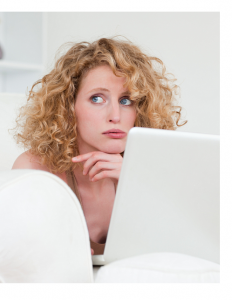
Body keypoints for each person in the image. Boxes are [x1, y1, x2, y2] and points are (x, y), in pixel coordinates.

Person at [11, 36, 187, 255]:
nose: (115, 116)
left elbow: (173, 248)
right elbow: (21, 256)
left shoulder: (146, 169)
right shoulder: (35, 169)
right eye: (97, 98)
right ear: (67, 107)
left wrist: (133, 182)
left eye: (126, 100)